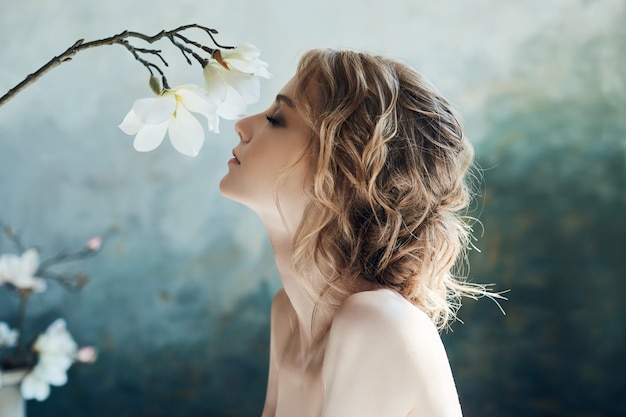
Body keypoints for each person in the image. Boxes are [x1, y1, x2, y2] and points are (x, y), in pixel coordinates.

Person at [220, 49, 493, 417]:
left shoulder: (377, 324)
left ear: (340, 172)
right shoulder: (287, 315)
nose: (242, 124)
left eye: (276, 118)